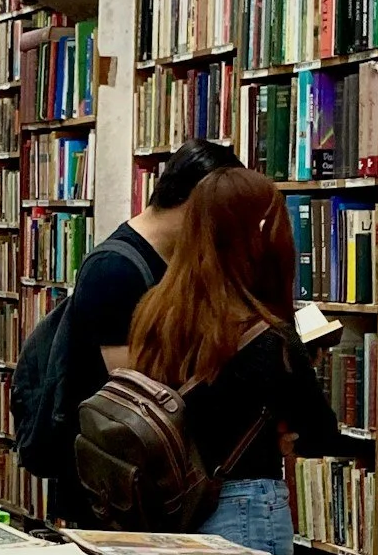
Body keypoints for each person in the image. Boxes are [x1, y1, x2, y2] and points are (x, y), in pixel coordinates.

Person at [122, 164, 348, 553]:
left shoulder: (153, 310)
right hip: (243, 510)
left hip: (171, 507)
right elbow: (319, 434)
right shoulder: (267, 338)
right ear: (261, 235)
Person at [34, 138, 239, 523]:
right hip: (111, 483)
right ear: (198, 203)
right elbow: (134, 391)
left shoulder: (175, 260)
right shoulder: (114, 269)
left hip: (142, 478)